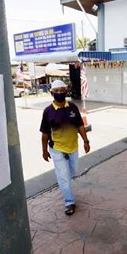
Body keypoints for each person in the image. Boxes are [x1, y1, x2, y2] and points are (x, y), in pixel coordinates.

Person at [40, 80, 90, 215]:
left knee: (72, 173)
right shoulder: (48, 111)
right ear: (52, 93)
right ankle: (69, 202)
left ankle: (66, 185)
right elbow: (45, 134)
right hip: (57, 149)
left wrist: (86, 141)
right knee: (63, 177)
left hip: (73, 147)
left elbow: (80, 125)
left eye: (62, 90)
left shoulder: (73, 108)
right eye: (56, 91)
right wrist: (44, 150)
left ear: (66, 91)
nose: (60, 93)